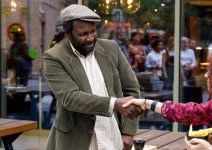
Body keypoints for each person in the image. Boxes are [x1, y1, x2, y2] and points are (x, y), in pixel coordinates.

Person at [43, 4, 142, 150]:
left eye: (93, 31)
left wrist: (128, 131)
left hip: (112, 134)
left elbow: (131, 89)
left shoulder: (111, 48)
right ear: (68, 32)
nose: (90, 38)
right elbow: (70, 98)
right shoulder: (54, 57)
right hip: (77, 140)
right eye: (82, 34)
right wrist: (115, 104)